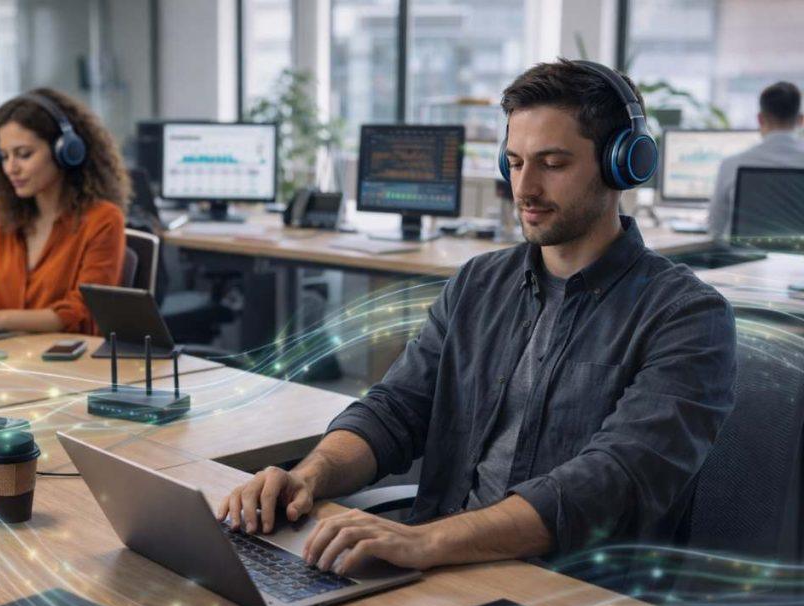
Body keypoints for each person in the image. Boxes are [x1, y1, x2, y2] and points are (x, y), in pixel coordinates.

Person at [218, 59, 737, 576]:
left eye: (552, 164)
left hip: (565, 594)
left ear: (623, 164)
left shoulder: (687, 317)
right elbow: (396, 409)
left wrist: (427, 541)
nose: (525, 188)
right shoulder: (478, 284)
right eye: (514, 162)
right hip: (437, 566)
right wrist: (310, 476)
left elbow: (610, 481)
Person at [0, 88, 130, 336]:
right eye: (4, 157)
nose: (10, 168)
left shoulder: (102, 219)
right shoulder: (3, 217)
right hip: (14, 359)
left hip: (71, 365)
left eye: (24, 154)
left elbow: (80, 310)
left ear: (65, 152)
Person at [708, 81, 804, 240]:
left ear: (760, 119)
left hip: (743, 262)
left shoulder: (732, 165)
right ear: (801, 120)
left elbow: (716, 229)